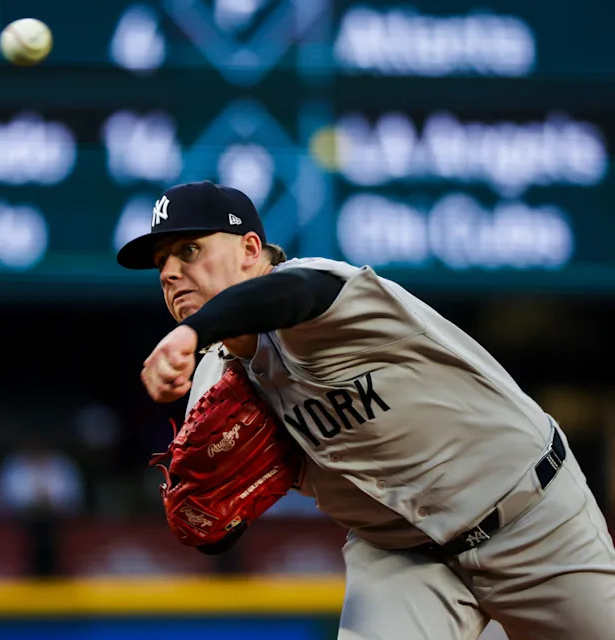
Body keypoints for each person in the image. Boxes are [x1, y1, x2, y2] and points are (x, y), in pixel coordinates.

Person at [117, 180, 615, 639]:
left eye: (189, 250)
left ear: (251, 249)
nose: (169, 272)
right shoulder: (213, 377)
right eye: (162, 264)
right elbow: (215, 528)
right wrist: (210, 519)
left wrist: (192, 331)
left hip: (532, 520)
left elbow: (291, 296)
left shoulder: (320, 291)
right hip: (401, 556)